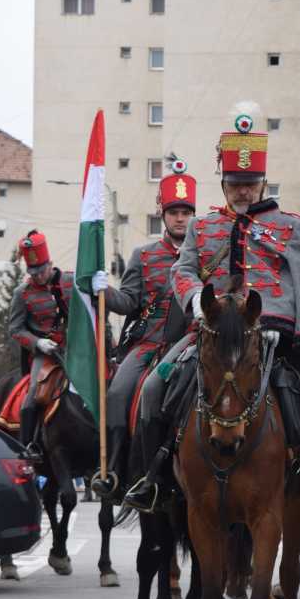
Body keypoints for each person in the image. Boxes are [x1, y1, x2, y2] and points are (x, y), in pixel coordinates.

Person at [125, 106, 300, 523]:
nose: (241, 192)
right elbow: (184, 269)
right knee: (154, 387)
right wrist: (195, 299)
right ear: (223, 182)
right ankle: (153, 477)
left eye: (248, 184)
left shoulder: (295, 228)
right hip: (212, 334)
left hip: (276, 336)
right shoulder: (202, 227)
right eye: (234, 184)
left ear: (262, 182)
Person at [92, 159, 196, 499]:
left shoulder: (207, 255)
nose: (180, 217)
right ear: (163, 215)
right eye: (174, 211)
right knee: (119, 393)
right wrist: (104, 290)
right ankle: (117, 472)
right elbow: (129, 302)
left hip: (194, 343)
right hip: (150, 344)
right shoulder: (145, 255)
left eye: (186, 211)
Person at [6, 229, 77, 455]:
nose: (38, 276)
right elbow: (15, 329)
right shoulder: (22, 293)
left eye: (41, 271)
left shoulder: (70, 282)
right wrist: (38, 343)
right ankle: (29, 445)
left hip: (74, 349)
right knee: (34, 394)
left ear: (50, 264)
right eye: (33, 272)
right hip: (44, 354)